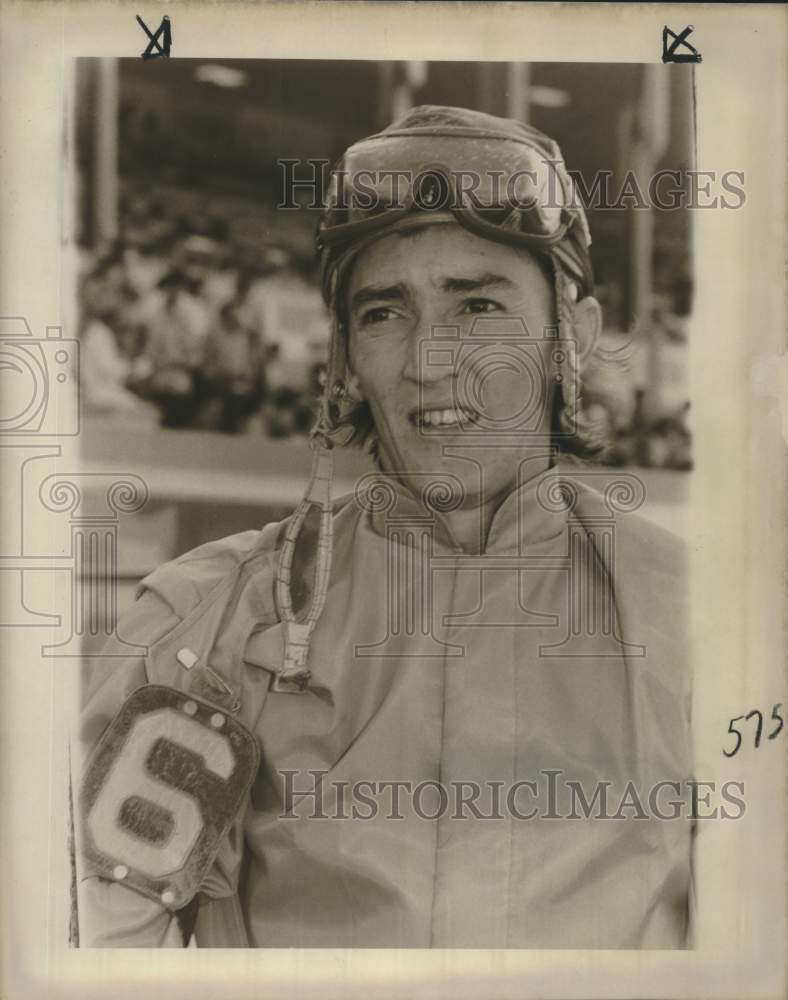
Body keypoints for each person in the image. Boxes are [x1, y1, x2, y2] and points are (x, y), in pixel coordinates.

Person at [77, 106, 693, 949]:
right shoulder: (204, 626)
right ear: (345, 363)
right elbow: (99, 946)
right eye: (384, 313)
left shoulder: (699, 623)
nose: (429, 358)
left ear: (572, 341)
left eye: (478, 306)